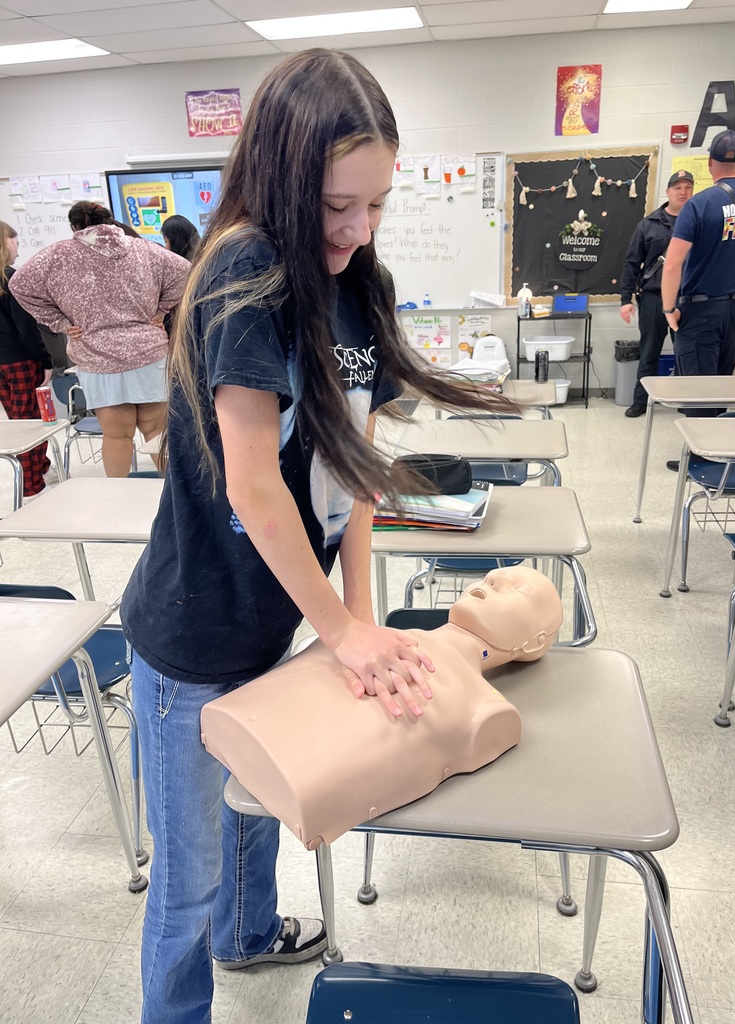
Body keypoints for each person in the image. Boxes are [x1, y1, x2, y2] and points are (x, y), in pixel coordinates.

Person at [119, 47, 519, 1024]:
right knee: (186, 880)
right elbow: (257, 487)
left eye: (375, 204)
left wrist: (359, 620)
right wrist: (340, 633)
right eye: (337, 205)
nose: (356, 228)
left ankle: (253, 935)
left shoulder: (353, 283)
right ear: (283, 177)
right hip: (189, 632)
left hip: (271, 620)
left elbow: (353, 476)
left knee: (254, 806)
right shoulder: (247, 268)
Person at [201, 565, 563, 850]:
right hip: (240, 714)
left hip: (299, 778)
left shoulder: (487, 709)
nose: (492, 582)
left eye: (517, 590)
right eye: (490, 578)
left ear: (535, 643)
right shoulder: (375, 638)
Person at [9, 201, 189, 476]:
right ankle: (173, 502)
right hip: (148, 352)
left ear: (74, 227)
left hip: (97, 355)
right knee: (157, 432)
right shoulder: (143, 248)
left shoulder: (57, 255)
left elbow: (18, 285)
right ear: (110, 221)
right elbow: (186, 271)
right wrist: (160, 309)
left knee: (117, 436)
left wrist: (61, 322)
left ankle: (116, 504)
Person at [662, 130, 735, 464]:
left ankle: (704, 460)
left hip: (699, 310)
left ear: (710, 163)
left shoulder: (699, 204)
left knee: (697, 390)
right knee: (722, 385)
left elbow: (673, 263)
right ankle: (720, 452)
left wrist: (668, 309)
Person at [618, 169, 694, 417]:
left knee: (685, 353)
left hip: (686, 299)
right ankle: (641, 400)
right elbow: (631, 264)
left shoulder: (698, 221)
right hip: (653, 297)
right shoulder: (648, 225)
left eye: (687, 188)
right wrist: (625, 299)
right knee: (649, 351)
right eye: (677, 188)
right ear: (668, 191)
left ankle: (686, 402)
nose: (682, 192)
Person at [0, 221, 54, 499]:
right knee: (32, 422)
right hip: (20, 362)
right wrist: (46, 361)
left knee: (17, 421)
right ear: (4, 242)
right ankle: (32, 486)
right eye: (15, 240)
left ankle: (40, 467)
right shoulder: (11, 279)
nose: (18, 247)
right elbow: (26, 330)